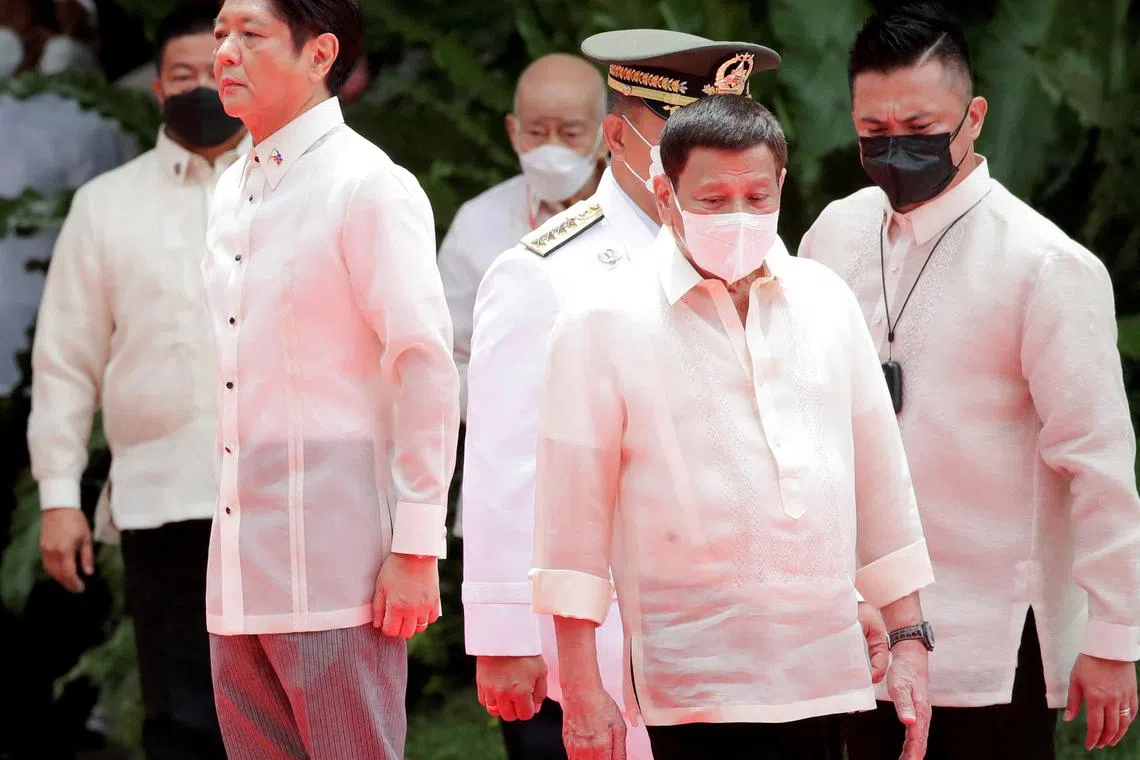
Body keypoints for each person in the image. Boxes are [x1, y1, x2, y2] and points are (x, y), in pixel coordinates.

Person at [530, 92, 935, 760]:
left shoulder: (826, 301)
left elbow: (880, 477)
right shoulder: (601, 321)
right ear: (665, 194)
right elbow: (570, 524)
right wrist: (581, 687)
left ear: (781, 184)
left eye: (756, 195)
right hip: (694, 677)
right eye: (713, 201)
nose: (739, 216)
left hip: (826, 667)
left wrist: (909, 637)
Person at [797, 4, 1140, 758]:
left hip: (986, 627)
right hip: (851, 618)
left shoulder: (1045, 265)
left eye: (918, 127)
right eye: (873, 133)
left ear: (973, 116)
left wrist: (1114, 635)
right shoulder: (834, 233)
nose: (895, 149)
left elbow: (1099, 463)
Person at [462, 29, 781, 760]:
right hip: (603, 641)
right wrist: (507, 635)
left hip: (743, 629)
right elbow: (506, 469)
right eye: (679, 133)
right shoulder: (546, 273)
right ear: (617, 135)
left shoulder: (760, 251)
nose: (708, 155)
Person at [205, 0, 460, 757]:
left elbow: (424, 366)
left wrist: (416, 547)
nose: (225, 52)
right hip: (239, 570)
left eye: (251, 34)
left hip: (340, 564)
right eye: (220, 33)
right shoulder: (228, 190)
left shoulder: (368, 186)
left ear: (320, 54)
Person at [27, 4, 247, 758]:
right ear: (157, 89)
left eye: (215, 73)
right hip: (166, 495)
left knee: (292, 710)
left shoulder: (301, 189)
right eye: (183, 75)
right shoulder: (106, 204)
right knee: (182, 711)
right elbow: (64, 361)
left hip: (292, 496)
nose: (200, 88)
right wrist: (60, 499)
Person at [438, 52, 607, 424]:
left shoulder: (647, 214)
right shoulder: (479, 222)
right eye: (536, 132)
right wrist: (515, 408)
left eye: (571, 133)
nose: (551, 148)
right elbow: (445, 360)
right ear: (513, 131)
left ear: (607, 134)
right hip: (513, 458)